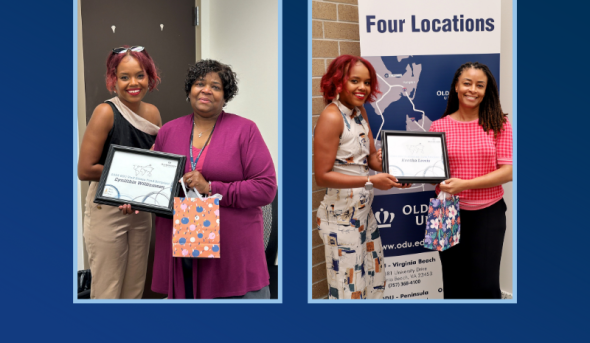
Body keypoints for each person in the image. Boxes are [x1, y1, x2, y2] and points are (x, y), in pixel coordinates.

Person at [148, 59, 276, 299]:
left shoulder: (244, 130)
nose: (206, 90)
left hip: (233, 252)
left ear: (226, 96)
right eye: (199, 84)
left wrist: (211, 188)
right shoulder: (168, 132)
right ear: (189, 90)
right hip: (182, 248)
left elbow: (266, 188)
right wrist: (135, 201)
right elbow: (156, 184)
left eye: (216, 87)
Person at [314, 55, 411, 299]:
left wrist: (399, 172)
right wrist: (370, 181)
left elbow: (371, 160)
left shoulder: (360, 111)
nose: (362, 88)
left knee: (375, 283)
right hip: (341, 220)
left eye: (367, 82)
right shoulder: (332, 117)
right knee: (349, 292)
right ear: (338, 82)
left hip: (363, 215)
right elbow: (322, 177)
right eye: (354, 80)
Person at [78, 46, 162, 299]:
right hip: (107, 208)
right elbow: (85, 169)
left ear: (150, 76)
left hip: (140, 209)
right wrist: (128, 187)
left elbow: (154, 163)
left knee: (134, 289)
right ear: (113, 80)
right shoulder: (105, 112)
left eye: (140, 75)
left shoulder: (153, 113)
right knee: (107, 290)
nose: (133, 83)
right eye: (124, 77)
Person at [429, 62, 513, 299]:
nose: (472, 89)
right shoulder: (438, 126)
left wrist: (465, 184)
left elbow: (508, 172)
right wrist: (397, 167)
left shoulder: (499, 124)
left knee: (485, 287)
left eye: (480, 85)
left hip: (487, 213)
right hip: (446, 212)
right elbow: (430, 170)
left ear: (487, 91)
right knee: (453, 283)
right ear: (456, 86)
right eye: (467, 83)